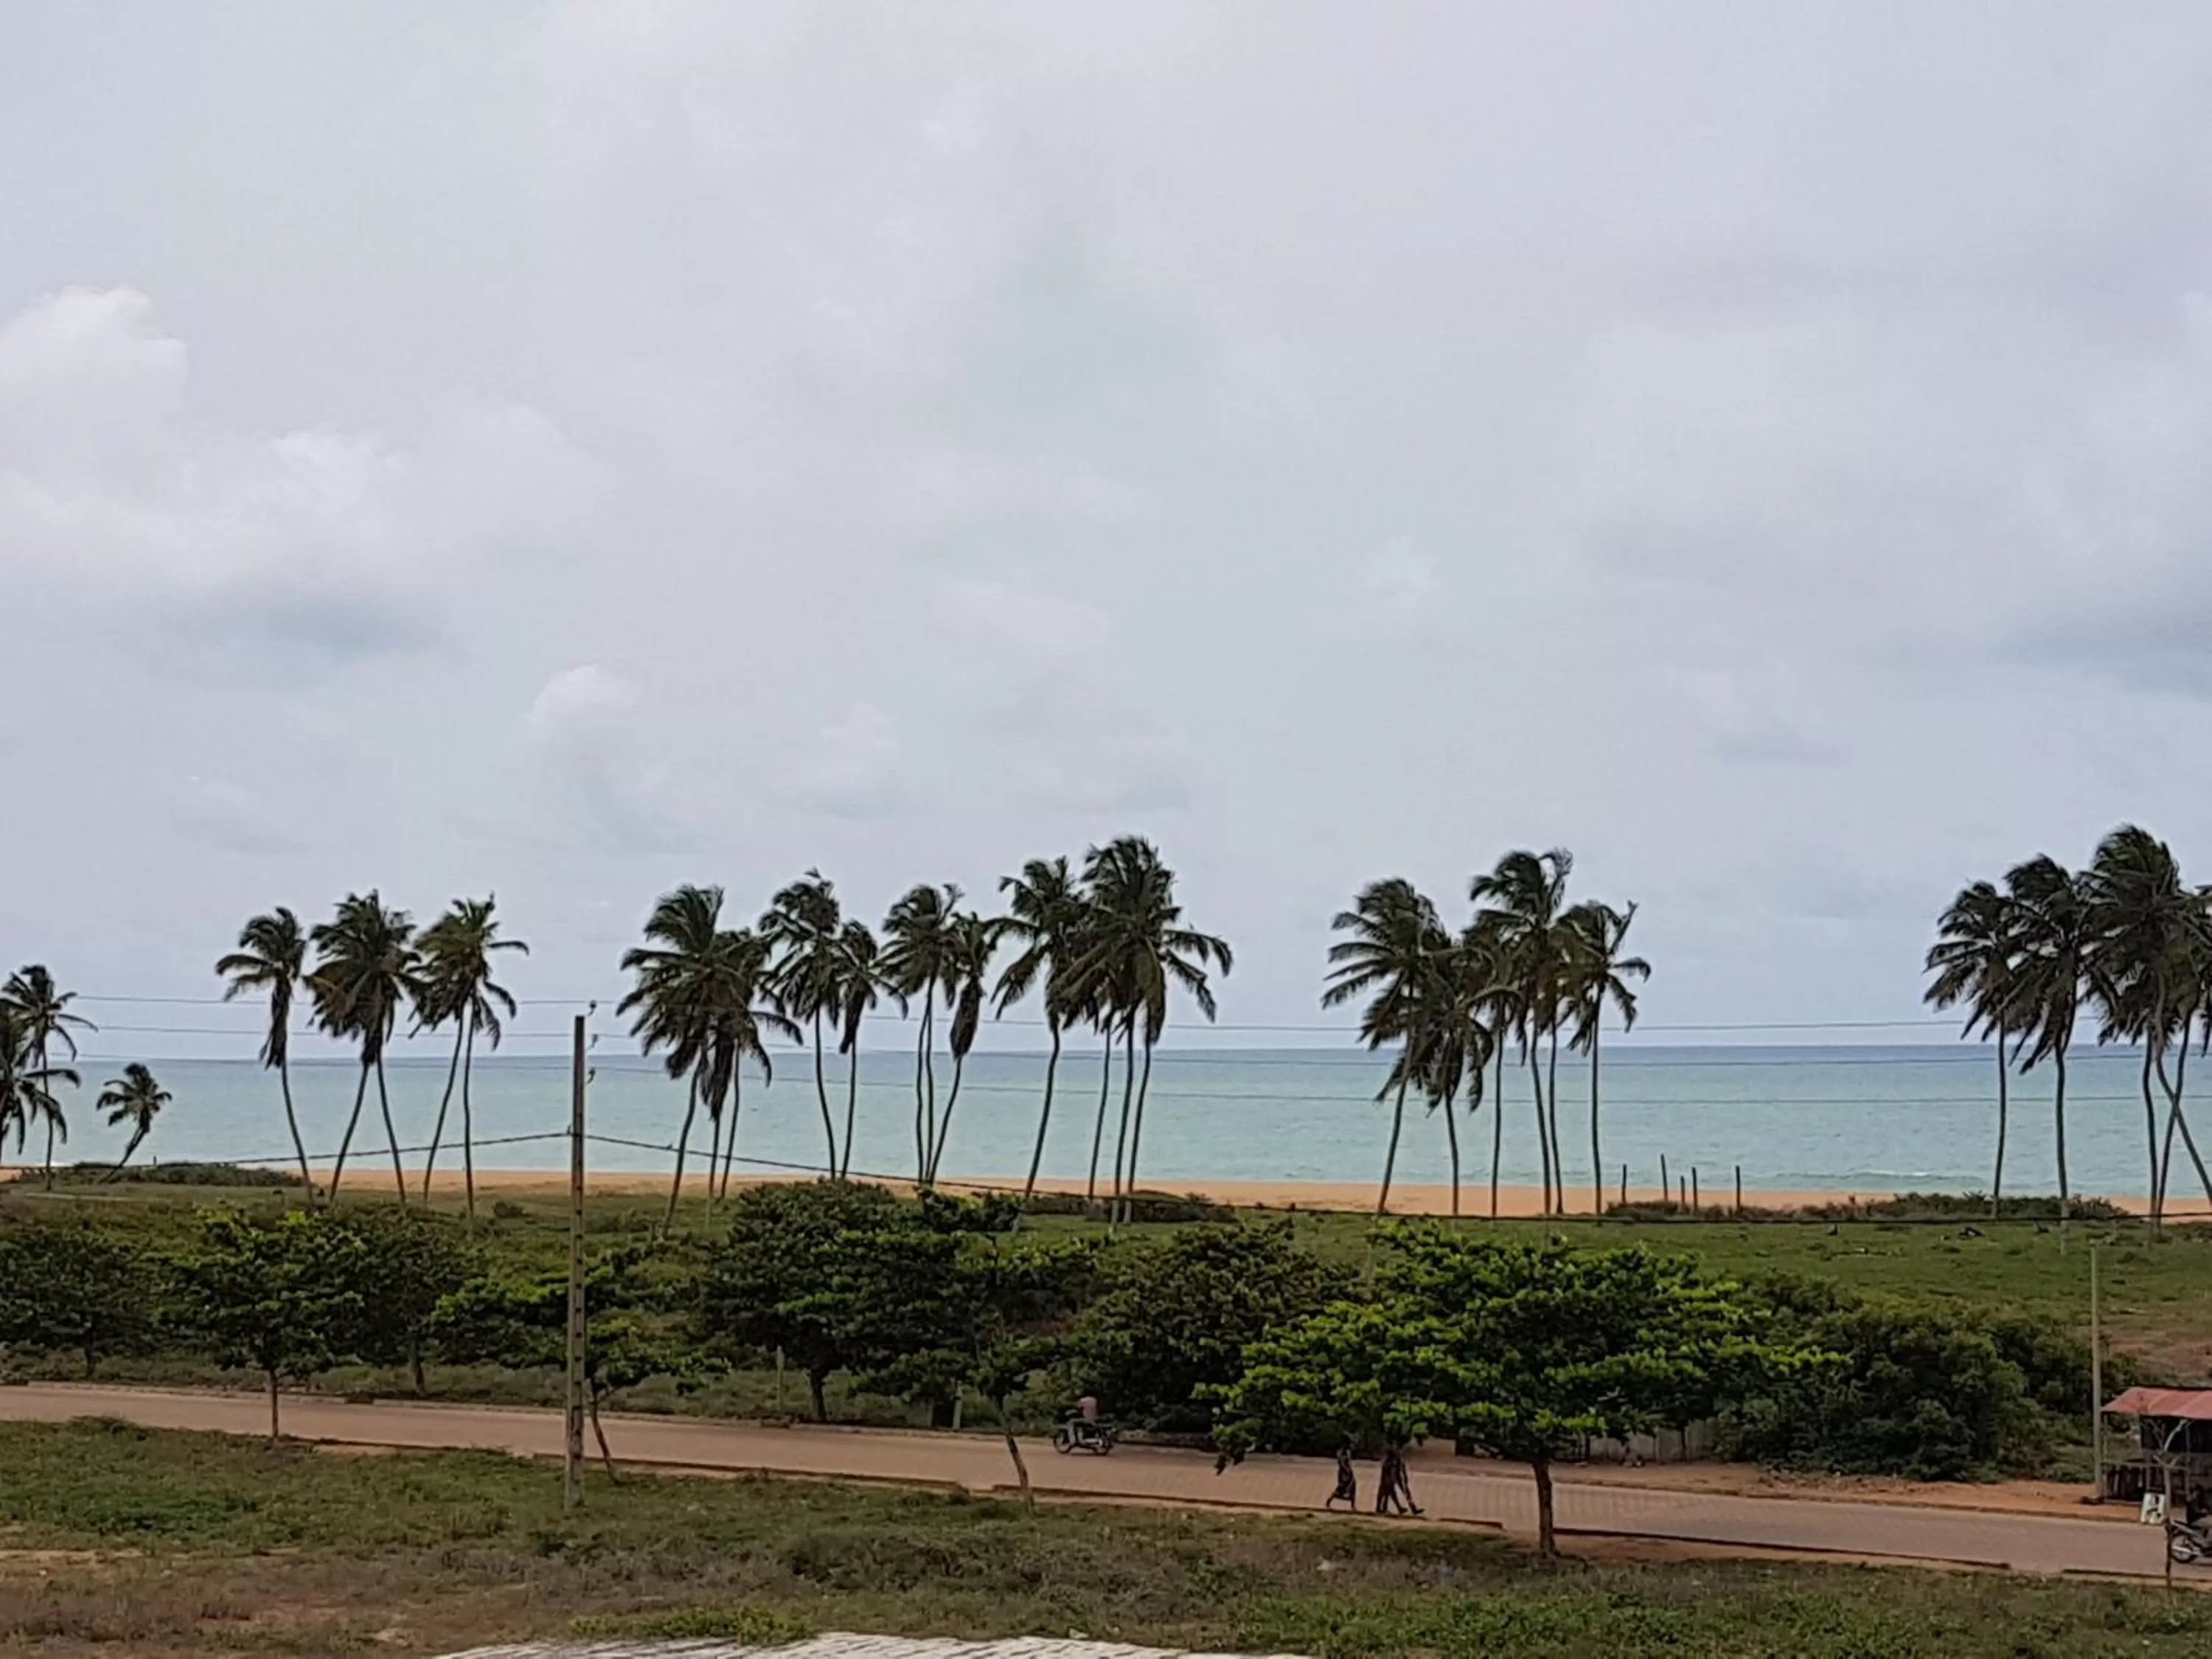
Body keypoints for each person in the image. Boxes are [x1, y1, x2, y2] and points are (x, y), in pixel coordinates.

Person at [1377, 1443, 1422, 1516]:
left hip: (1396, 1476)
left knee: (1390, 1491)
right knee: (1389, 1491)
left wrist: (1403, 1476)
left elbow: (1401, 1468)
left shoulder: (1395, 1459)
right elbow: (1393, 1469)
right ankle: (1385, 1508)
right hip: (1393, 1476)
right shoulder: (1391, 1460)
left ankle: (1403, 1508)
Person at [1324, 1444, 1358, 1511]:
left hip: (1346, 1473)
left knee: (1352, 1487)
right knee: (1342, 1487)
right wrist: (1346, 1469)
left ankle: (1352, 1505)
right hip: (1345, 1473)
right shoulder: (1343, 1456)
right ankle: (1329, 1501)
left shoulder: (1345, 1454)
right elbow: (1342, 1463)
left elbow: (1344, 1461)